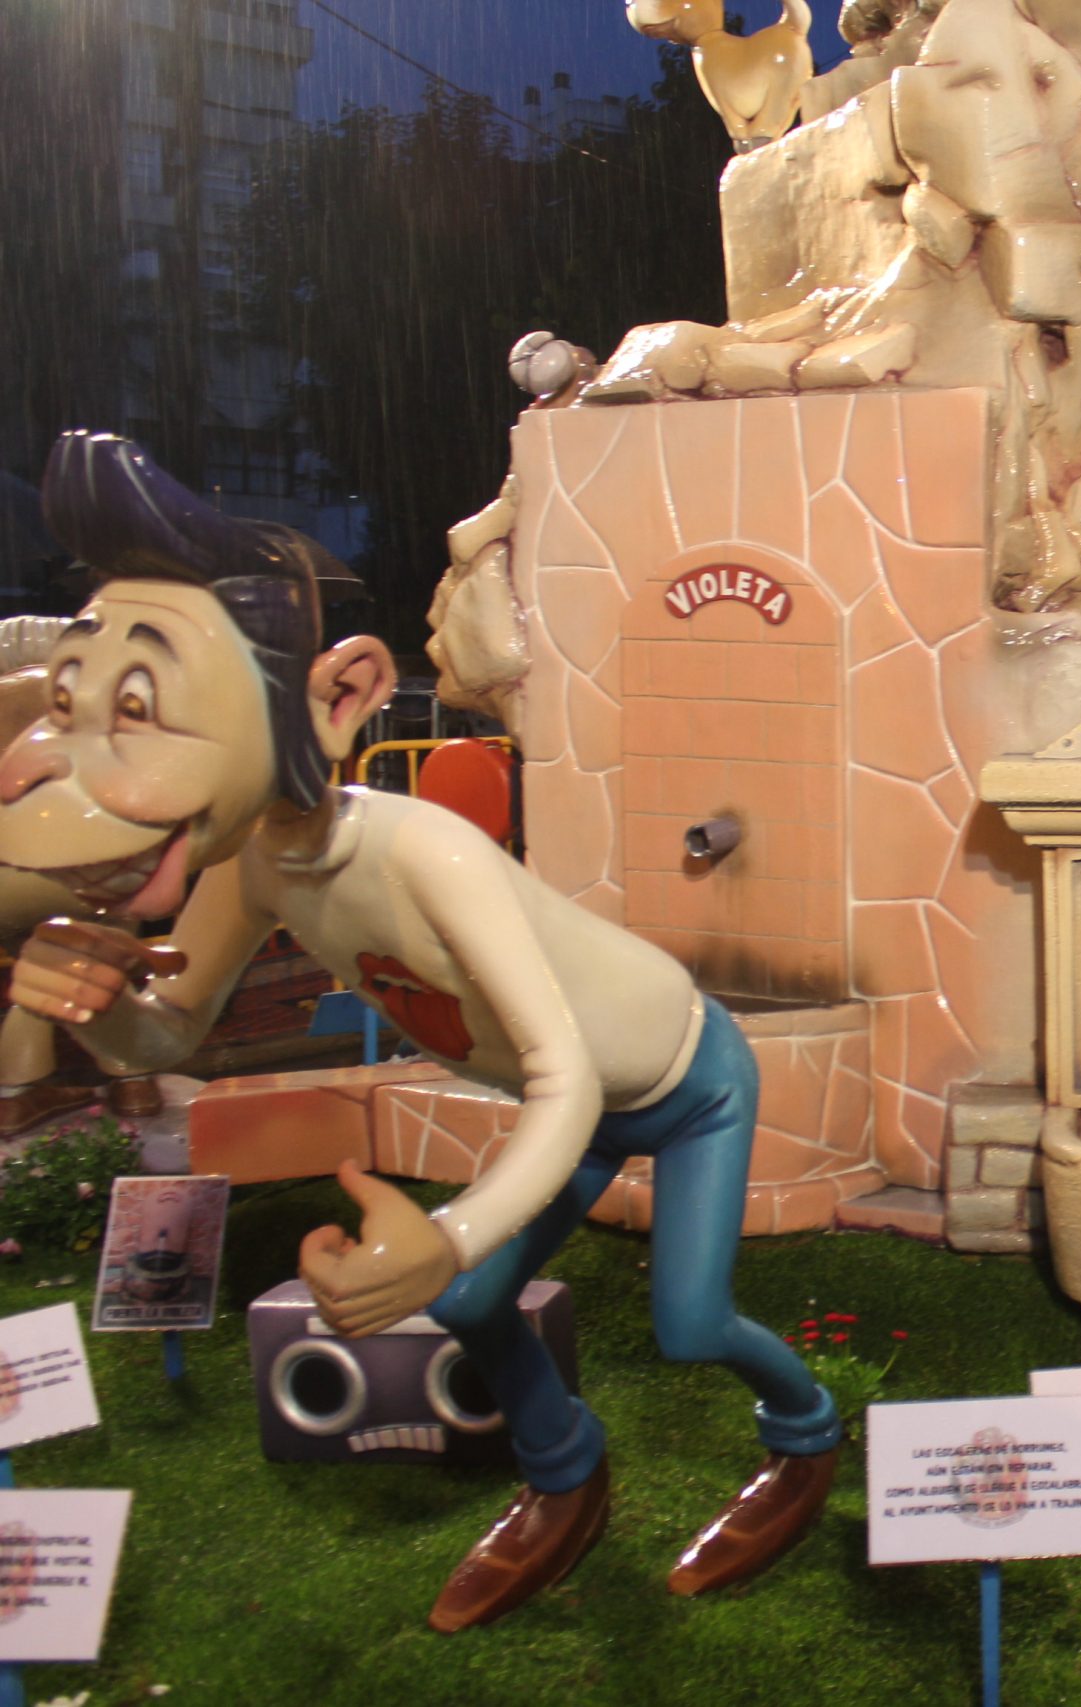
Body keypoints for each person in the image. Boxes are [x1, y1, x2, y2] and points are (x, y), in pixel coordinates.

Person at [0, 433, 842, 1632]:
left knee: (690, 1322)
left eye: (145, 706)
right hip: (581, 1104)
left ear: (335, 700)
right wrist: (98, 1008)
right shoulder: (253, 867)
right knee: (470, 1304)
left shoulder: (425, 851)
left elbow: (559, 1081)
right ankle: (565, 1475)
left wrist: (445, 1235)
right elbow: (166, 1043)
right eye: (80, 704)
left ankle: (804, 1436)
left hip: (681, 1079)